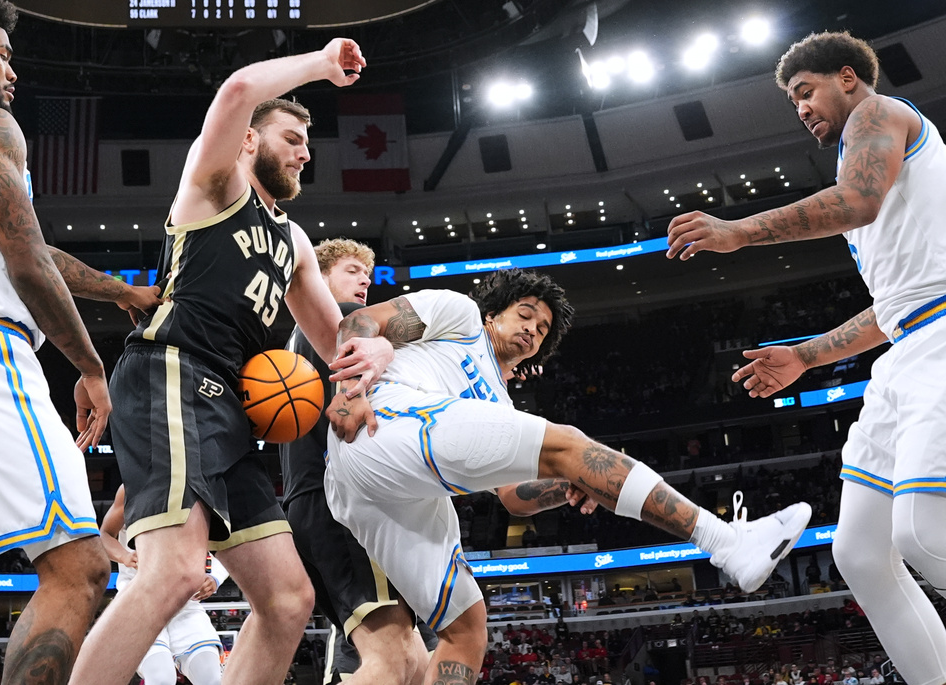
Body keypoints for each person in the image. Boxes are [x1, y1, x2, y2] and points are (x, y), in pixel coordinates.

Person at [69, 38, 394, 685]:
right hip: (172, 373)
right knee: (177, 571)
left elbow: (337, 344)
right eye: (291, 135)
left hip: (232, 414)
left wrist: (375, 346)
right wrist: (323, 66)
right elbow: (237, 92)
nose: (305, 149)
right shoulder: (214, 186)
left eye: (309, 142)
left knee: (287, 599)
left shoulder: (296, 241)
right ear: (248, 141)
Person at [323, 268, 811, 685]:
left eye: (543, 326)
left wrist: (569, 483)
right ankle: (726, 541)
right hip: (380, 422)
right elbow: (361, 320)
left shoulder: (499, 403)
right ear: (494, 313)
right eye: (526, 313)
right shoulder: (461, 315)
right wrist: (349, 391)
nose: (534, 328)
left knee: (467, 628)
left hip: (380, 494)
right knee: (568, 441)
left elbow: (514, 500)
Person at [665, 30, 946, 683]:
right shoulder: (871, 164)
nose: (801, 108)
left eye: (805, 91)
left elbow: (859, 200)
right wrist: (807, 355)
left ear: (847, 77)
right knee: (858, 551)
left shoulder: (879, 114)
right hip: (912, 345)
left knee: (921, 531)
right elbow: (895, 309)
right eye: (794, 100)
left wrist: (739, 231)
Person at [0, 0, 160, 680]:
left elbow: (27, 247)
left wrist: (122, 292)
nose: (13, 69)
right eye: (4, 53)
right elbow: (24, 263)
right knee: (79, 570)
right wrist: (90, 365)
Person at [278, 237, 431, 685]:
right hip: (345, 508)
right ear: (318, 279)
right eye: (350, 270)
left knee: (416, 663)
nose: (364, 280)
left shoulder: (296, 342)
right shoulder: (342, 329)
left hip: (311, 506)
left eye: (367, 273)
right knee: (389, 660)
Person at [100, 485, 225, 685]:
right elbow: (104, 535)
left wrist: (216, 577)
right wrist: (124, 556)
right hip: (139, 600)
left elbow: (226, 541)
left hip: (185, 602)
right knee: (161, 679)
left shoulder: (201, 484)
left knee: (211, 679)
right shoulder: (130, 488)